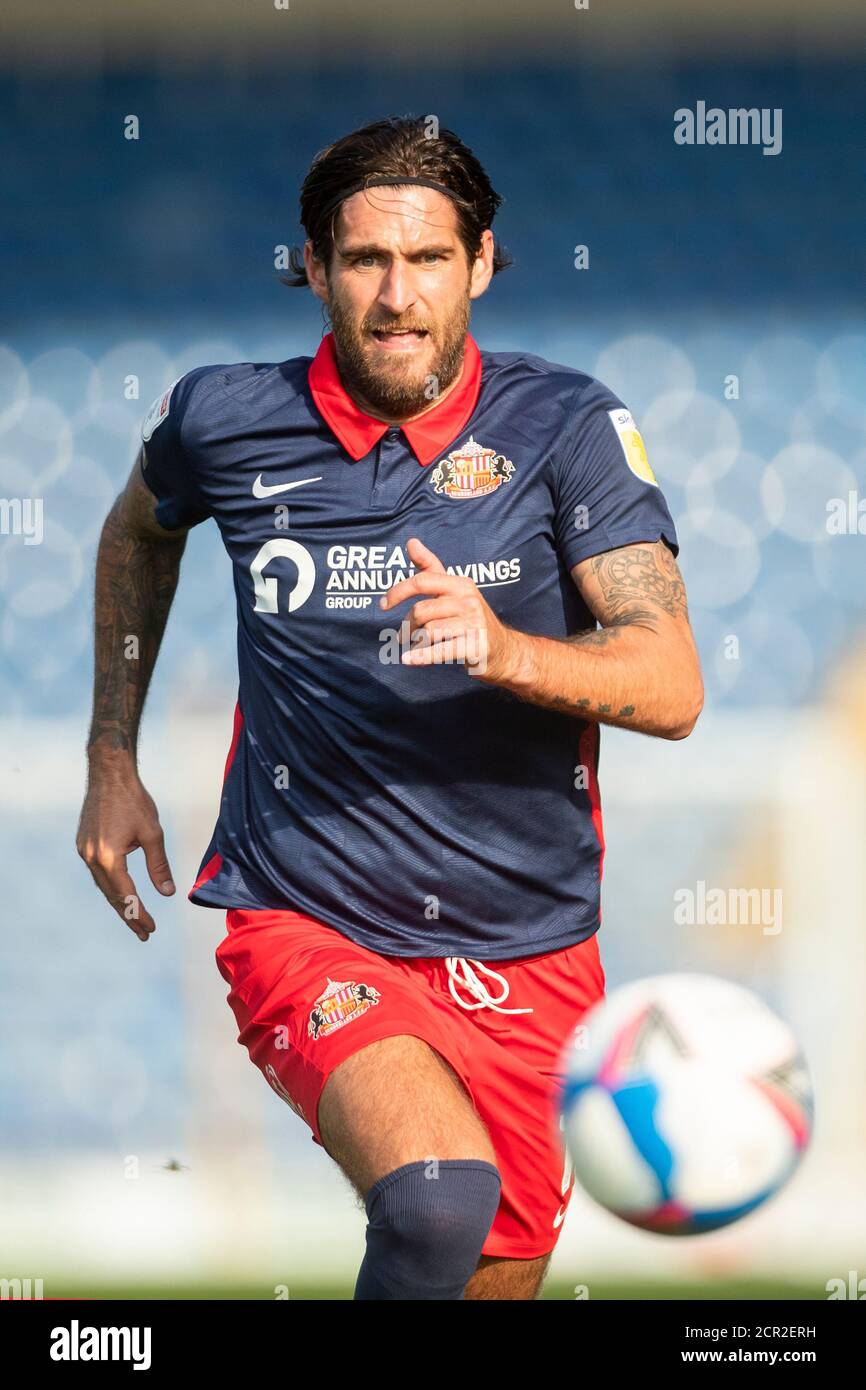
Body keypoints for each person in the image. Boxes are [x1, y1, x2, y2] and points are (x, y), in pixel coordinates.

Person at [76, 115, 703, 1300]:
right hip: (307, 916)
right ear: (312, 266)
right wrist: (114, 751)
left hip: (527, 949)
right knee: (432, 1198)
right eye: (363, 260)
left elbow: (670, 685)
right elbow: (136, 533)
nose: (395, 296)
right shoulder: (221, 416)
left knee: (481, 1267)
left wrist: (508, 649)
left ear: (479, 263)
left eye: (426, 260)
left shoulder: (567, 428)